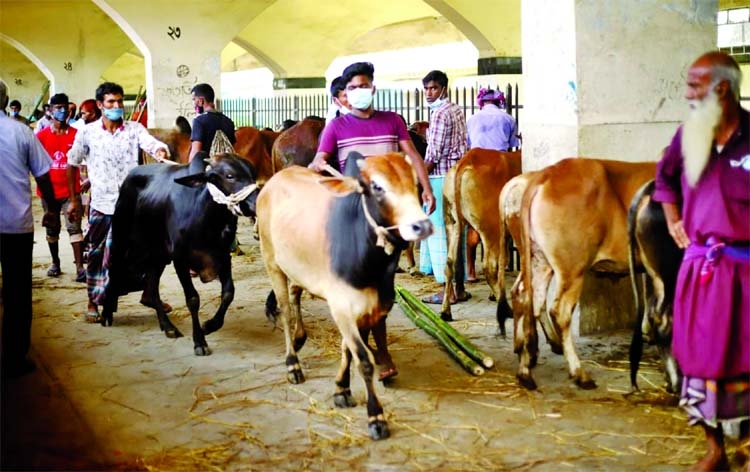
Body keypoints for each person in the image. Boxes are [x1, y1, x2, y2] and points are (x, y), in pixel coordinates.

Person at [309, 61, 436, 382]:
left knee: (383, 285)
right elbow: (319, 162)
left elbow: (413, 156)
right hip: (354, 218)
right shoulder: (336, 127)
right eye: (352, 88)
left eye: (363, 86)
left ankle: (378, 350)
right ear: (344, 95)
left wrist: (426, 188)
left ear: (373, 88)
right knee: (359, 285)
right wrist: (316, 166)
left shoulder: (393, 121)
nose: (358, 93)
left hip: (389, 218)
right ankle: (374, 350)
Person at [653, 50, 749, 471]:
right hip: (702, 270)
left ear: (721, 90)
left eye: (695, 85)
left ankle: (745, 444)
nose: (687, 93)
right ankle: (716, 449)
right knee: (700, 357)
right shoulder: (688, 135)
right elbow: (665, 177)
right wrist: (673, 217)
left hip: (746, 268)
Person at [65, 82, 171, 323]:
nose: (117, 106)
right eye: (111, 102)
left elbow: (152, 144)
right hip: (102, 204)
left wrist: (160, 151)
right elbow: (72, 164)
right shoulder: (87, 132)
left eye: (120, 101)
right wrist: (74, 201)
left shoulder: (134, 129)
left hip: (134, 205)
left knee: (150, 250)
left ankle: (149, 293)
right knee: (96, 254)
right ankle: (93, 302)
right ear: (100, 105)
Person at [0, 80, 61, 378]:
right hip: (15, 225)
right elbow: (44, 175)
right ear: (5, 101)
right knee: (17, 293)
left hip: (15, 224)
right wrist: (51, 210)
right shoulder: (20, 131)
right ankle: (14, 357)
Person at [419, 70, 469, 307]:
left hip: (440, 177)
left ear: (444, 88)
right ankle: (459, 288)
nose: (429, 93)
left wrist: (420, 176)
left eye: (434, 88)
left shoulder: (439, 113)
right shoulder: (457, 109)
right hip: (459, 176)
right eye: (426, 89)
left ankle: (446, 289)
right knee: (457, 232)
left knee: (440, 232)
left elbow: (434, 153)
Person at [463, 88, 522, 282]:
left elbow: (469, 144)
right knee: (504, 215)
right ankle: (502, 264)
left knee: (474, 220)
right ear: (500, 102)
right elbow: (513, 145)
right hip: (501, 166)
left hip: (475, 167)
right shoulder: (508, 119)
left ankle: (470, 271)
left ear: (481, 102)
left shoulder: (471, 119)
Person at [35, 93, 86, 282]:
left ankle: (80, 267)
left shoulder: (76, 135)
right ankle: (55, 263)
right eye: (58, 107)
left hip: (71, 191)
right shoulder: (40, 137)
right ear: (49, 110)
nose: (63, 111)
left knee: (75, 228)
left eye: (65, 107)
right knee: (52, 229)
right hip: (48, 192)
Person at [71, 99, 101, 222]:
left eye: (84, 113)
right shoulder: (80, 128)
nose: (81, 116)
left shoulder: (104, 130)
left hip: (98, 173)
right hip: (85, 168)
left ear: (93, 113)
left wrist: (92, 179)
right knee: (87, 204)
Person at [189, 83, 236, 159]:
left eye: (194, 99)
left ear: (201, 101)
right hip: (226, 169)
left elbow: (195, 153)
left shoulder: (199, 121)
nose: (194, 104)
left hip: (207, 169)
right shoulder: (229, 121)